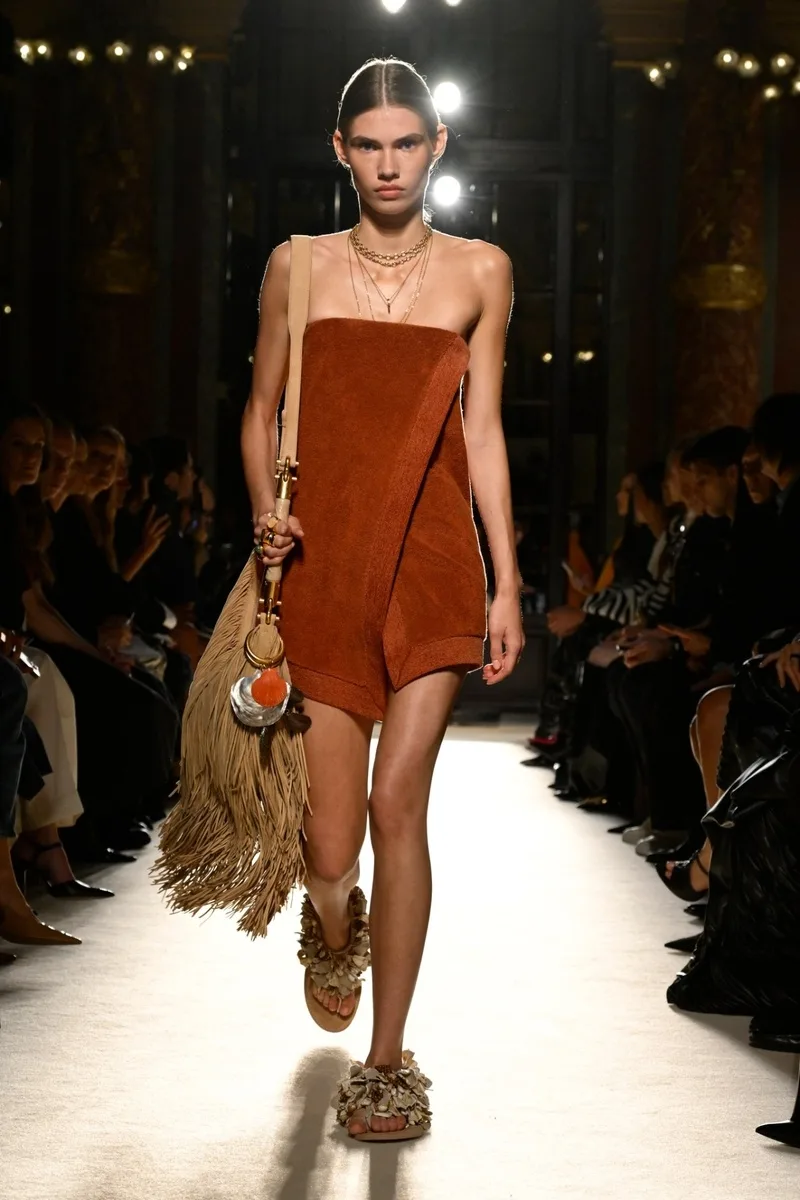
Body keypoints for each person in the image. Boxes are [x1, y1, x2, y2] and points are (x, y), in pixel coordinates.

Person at [240, 57, 524, 1142]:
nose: (389, 163)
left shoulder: (481, 271)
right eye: (369, 144)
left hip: (435, 559)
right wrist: (266, 514)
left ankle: (388, 1061)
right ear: (341, 150)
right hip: (322, 561)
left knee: (398, 802)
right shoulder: (297, 266)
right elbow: (260, 409)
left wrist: (505, 579)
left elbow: (483, 433)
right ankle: (333, 921)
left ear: (436, 147)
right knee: (328, 845)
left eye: (407, 143)